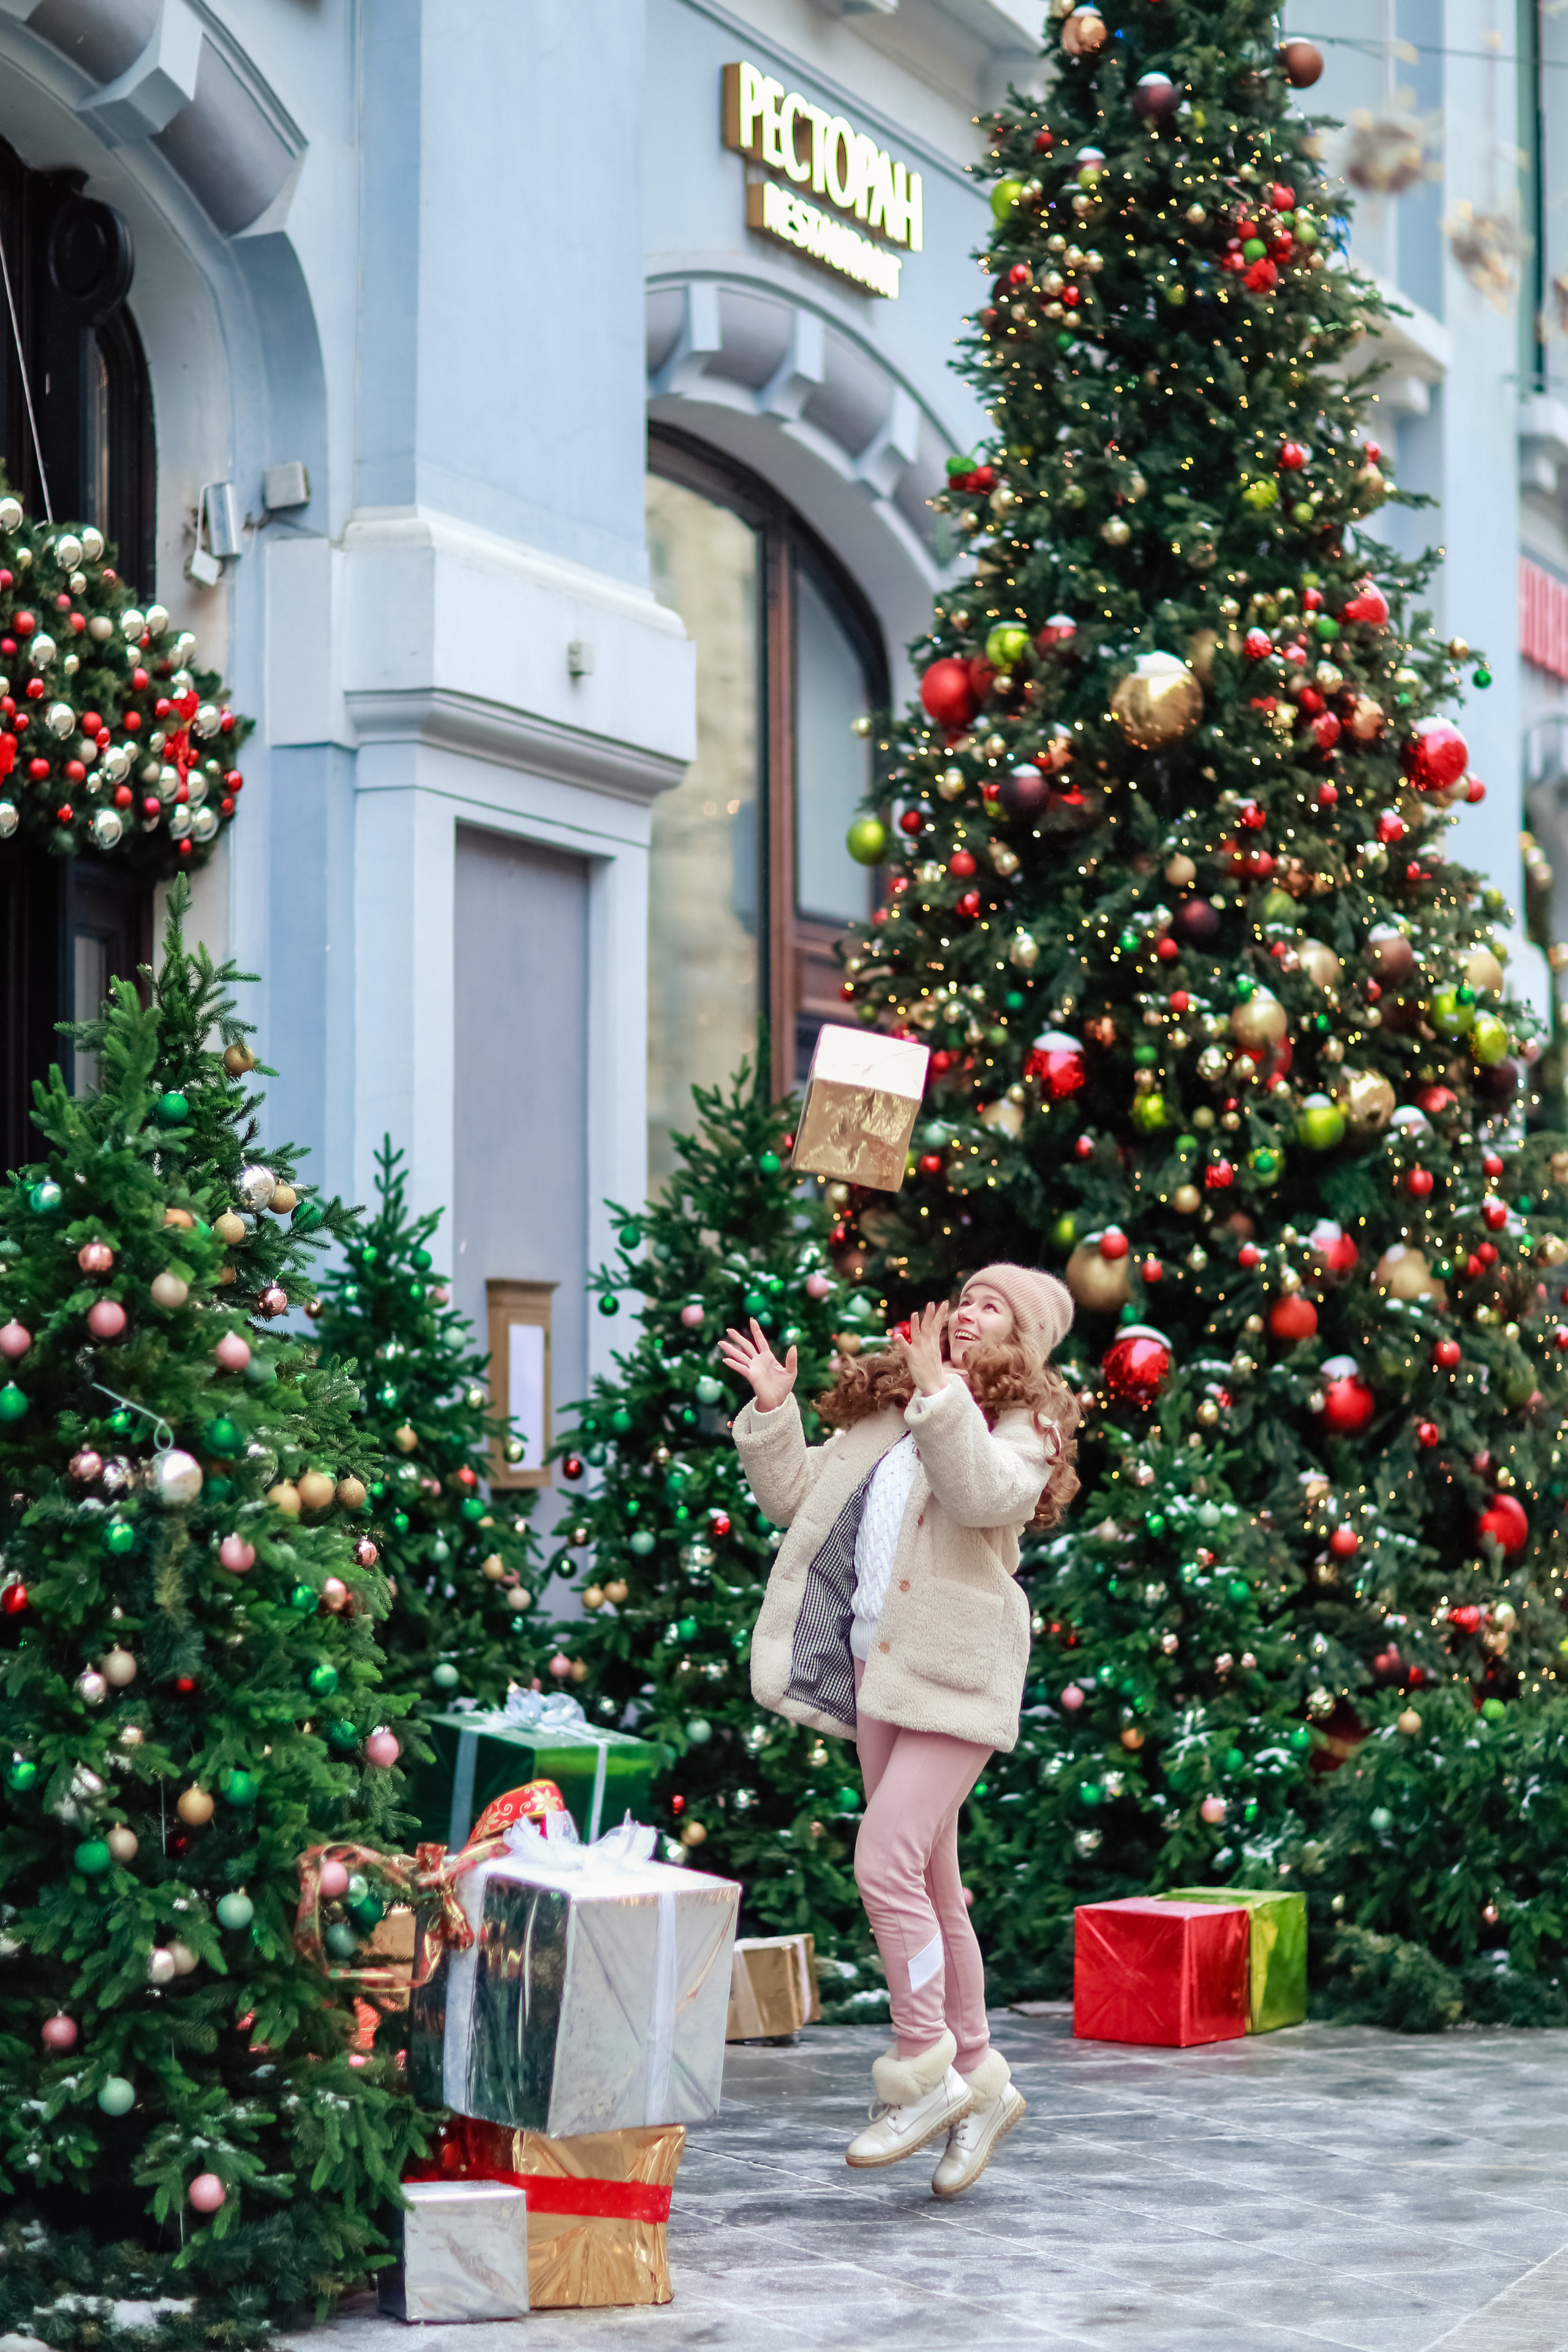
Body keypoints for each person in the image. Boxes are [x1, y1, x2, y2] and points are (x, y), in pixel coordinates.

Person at [720, 1264, 1079, 2199]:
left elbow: (984, 1496)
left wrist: (937, 1393)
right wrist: (773, 1412)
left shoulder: (1023, 1423)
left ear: (1026, 1337)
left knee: (883, 1861)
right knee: (933, 1884)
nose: (968, 1313)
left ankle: (924, 2068)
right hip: (882, 1673)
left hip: (960, 1676)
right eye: (965, 1300)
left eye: (991, 1306)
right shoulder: (893, 1409)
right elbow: (797, 1498)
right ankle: (983, 2079)